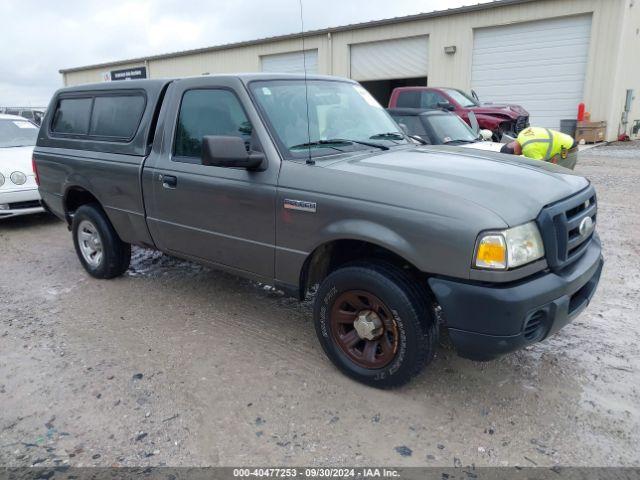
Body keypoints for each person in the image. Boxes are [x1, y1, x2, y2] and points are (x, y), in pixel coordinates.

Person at [500, 126, 579, 169]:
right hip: (565, 140)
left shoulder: (529, 149)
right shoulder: (522, 134)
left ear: (515, 153)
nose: (520, 154)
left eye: (517, 155)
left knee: (562, 175)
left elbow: (542, 168)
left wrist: (551, 166)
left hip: (566, 149)